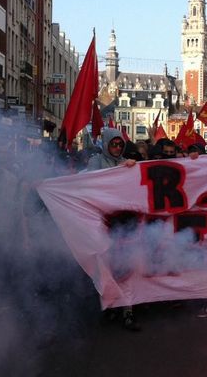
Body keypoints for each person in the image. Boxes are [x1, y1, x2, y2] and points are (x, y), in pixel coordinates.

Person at [86, 128, 139, 330]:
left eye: (120, 144)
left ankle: (128, 311)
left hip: (123, 225)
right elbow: (90, 183)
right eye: (113, 144)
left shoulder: (127, 163)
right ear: (106, 144)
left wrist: (133, 168)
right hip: (102, 224)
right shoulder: (95, 163)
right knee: (106, 269)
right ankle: (110, 308)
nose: (117, 148)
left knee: (126, 269)